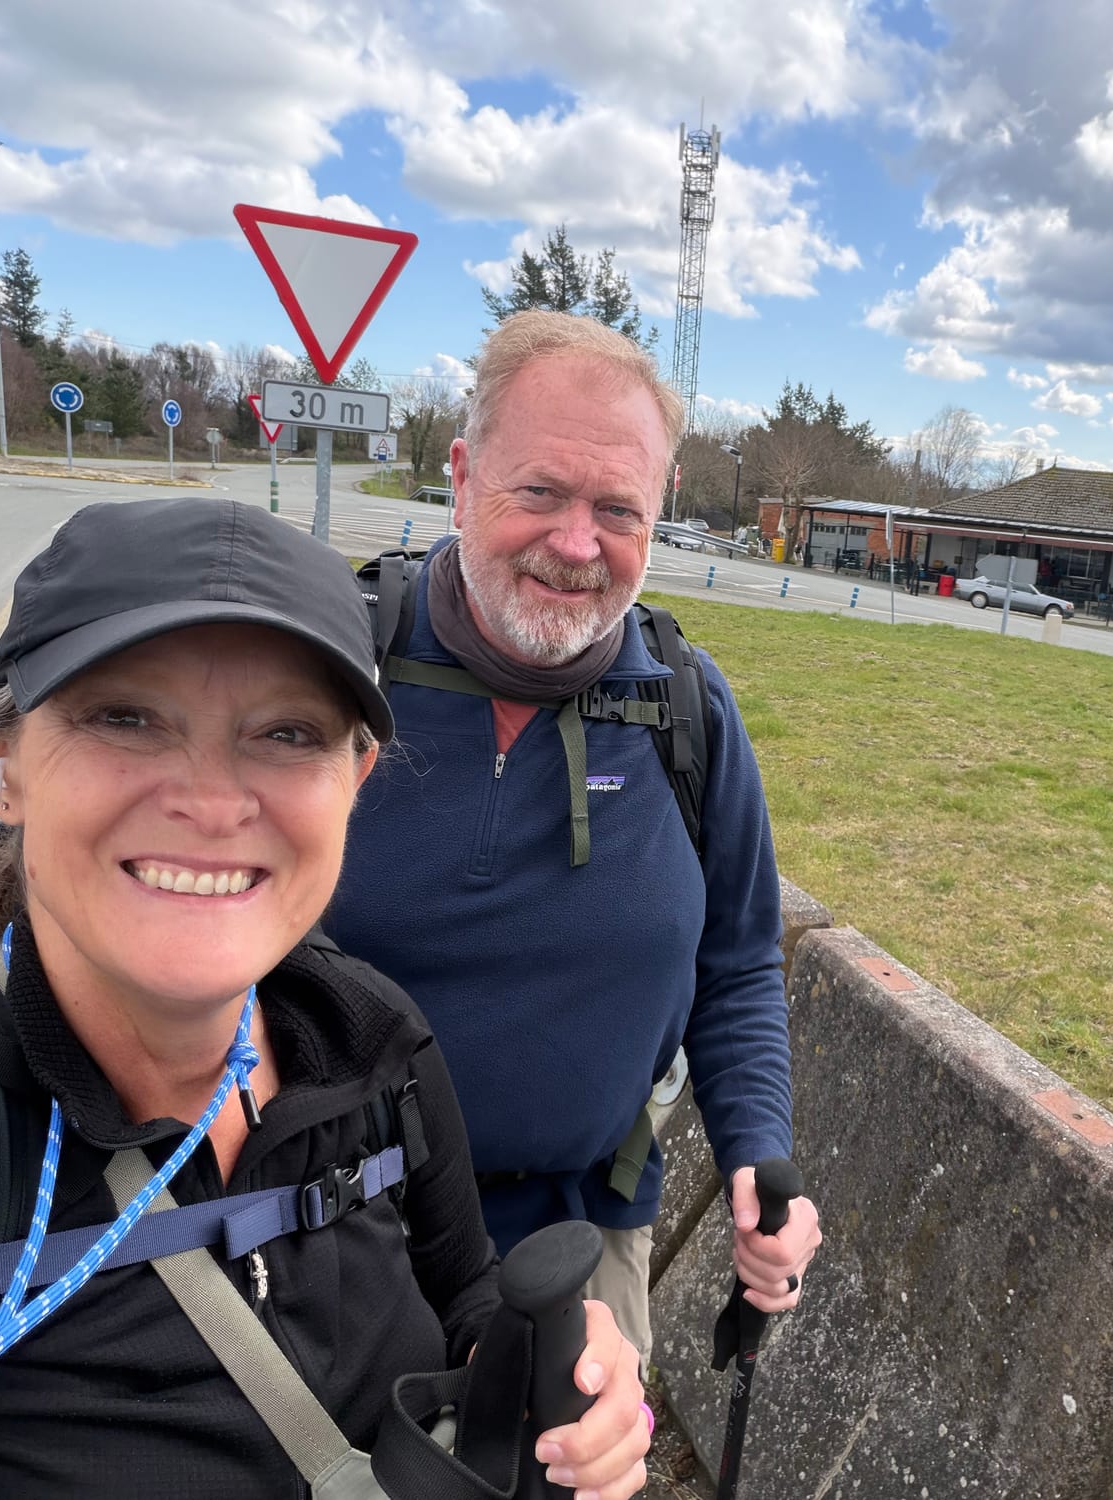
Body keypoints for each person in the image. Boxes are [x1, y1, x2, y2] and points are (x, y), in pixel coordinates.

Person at [0, 498, 649, 1499]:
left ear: (355, 779)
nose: (210, 803)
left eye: (287, 732)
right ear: (3, 762)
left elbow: (463, 1291)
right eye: (125, 717)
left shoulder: (371, 1043)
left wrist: (556, 1379)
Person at [326, 311, 821, 1364]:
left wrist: (755, 1154)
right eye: (541, 492)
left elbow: (735, 965)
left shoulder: (687, 708)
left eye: (617, 509)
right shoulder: (337, 669)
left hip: (576, 1248)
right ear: (463, 477)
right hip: (321, 1232)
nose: (576, 543)